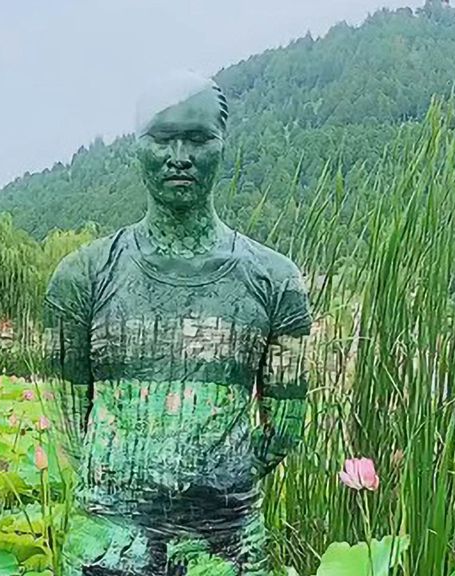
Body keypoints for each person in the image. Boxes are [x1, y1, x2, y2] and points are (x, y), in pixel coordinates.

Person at [45, 70, 312, 576]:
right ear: (137, 147)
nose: (180, 156)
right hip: (106, 544)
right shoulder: (80, 276)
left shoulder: (277, 280)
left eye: (198, 138)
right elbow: (68, 423)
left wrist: (219, 481)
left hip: (229, 546)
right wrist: (122, 487)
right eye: (164, 139)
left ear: (223, 145)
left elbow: (285, 427)